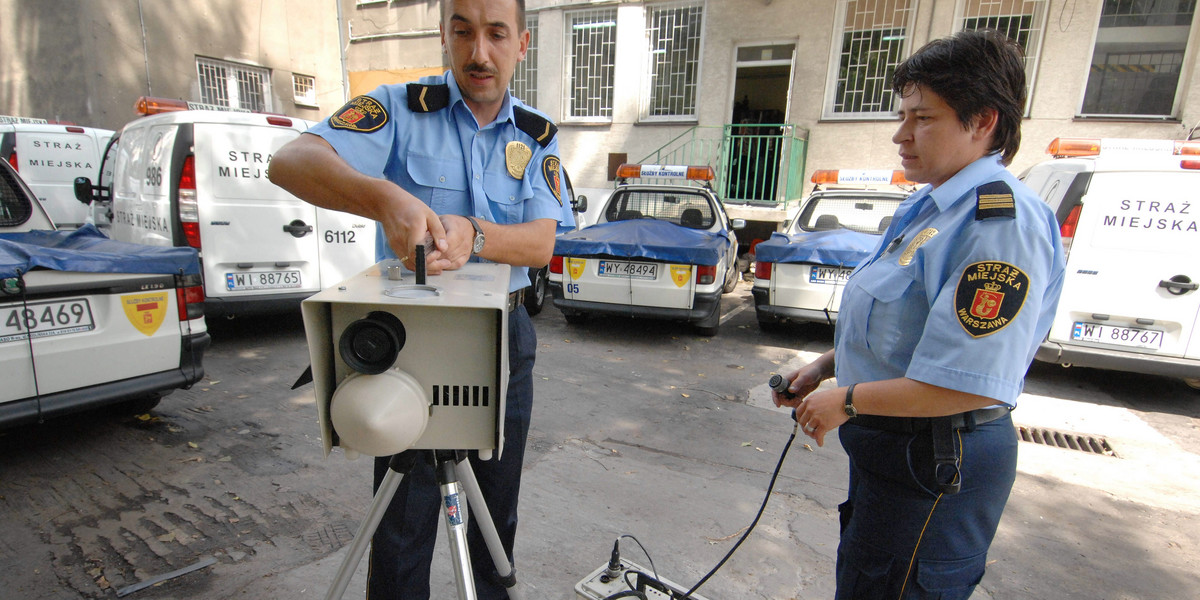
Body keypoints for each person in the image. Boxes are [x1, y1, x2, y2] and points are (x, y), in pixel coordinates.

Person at [268, 1, 571, 598]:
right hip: (409, 346)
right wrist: (383, 197)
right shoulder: (400, 108)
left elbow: (540, 244)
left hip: (502, 340)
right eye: (462, 32)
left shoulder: (536, 135)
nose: (478, 52)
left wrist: (476, 233)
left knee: (493, 511)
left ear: (521, 43)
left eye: (495, 34)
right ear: (443, 35)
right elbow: (290, 162)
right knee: (402, 523)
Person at [772, 30, 1065, 600]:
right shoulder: (930, 204)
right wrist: (829, 367)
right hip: (896, 456)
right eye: (903, 115)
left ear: (982, 121)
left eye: (923, 118)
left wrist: (848, 401)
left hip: (936, 463)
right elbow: (908, 324)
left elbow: (967, 383)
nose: (900, 135)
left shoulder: (997, 225)